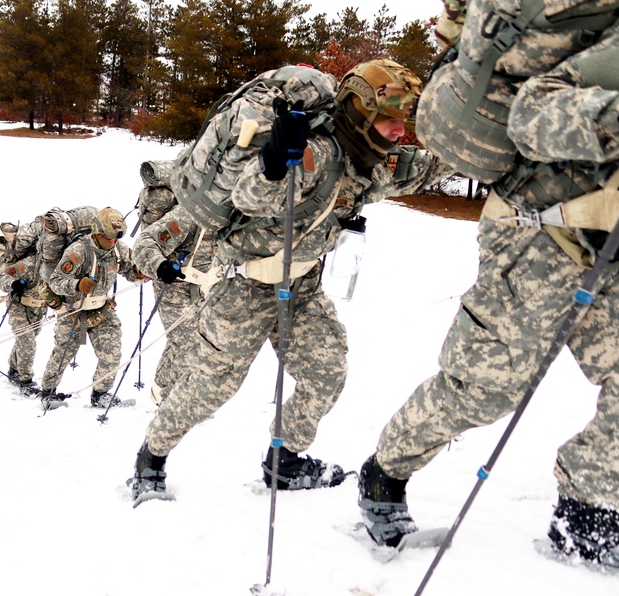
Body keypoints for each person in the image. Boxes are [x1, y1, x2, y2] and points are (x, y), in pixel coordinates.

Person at [358, 11, 619, 577]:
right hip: (537, 233)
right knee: (481, 390)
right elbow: (532, 119)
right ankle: (385, 471)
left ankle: (588, 514)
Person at [129, 61, 452, 503]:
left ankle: (286, 461)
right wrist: (273, 166)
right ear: (360, 114)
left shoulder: (370, 161)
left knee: (326, 372)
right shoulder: (313, 155)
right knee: (209, 389)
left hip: (303, 288)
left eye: (403, 120)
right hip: (245, 290)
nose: (400, 131)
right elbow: (249, 196)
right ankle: (152, 457)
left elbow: (429, 166)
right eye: (389, 120)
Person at [39, 207, 149, 410]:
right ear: (98, 234)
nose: (113, 242)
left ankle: (100, 394)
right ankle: (48, 392)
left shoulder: (118, 249)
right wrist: (76, 284)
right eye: (109, 238)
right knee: (62, 353)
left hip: (101, 310)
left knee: (111, 353)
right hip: (73, 311)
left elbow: (130, 269)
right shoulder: (79, 251)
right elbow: (55, 281)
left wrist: (140, 272)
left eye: (116, 238)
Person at [132, 202, 215, 405]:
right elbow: (144, 243)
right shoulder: (190, 213)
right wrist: (160, 266)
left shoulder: (235, 220)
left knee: (183, 340)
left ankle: (160, 389)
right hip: (174, 286)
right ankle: (173, 403)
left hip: (204, 289)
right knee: (188, 343)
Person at [0, 221, 46, 397]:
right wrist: (14, 284)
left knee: (26, 340)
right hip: (18, 305)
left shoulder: (53, 265)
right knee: (27, 341)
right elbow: (2, 277)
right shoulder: (29, 263)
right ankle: (25, 380)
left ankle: (14, 368)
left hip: (38, 307)